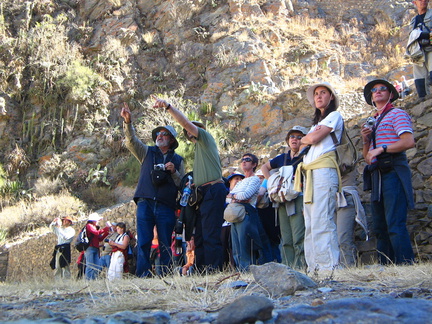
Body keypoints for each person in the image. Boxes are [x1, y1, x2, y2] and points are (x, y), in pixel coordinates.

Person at [152, 98, 227, 273]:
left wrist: (168, 107)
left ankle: (214, 270)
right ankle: (201, 270)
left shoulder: (206, 139)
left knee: (210, 233)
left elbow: (184, 122)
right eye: (187, 131)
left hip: (213, 189)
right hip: (203, 193)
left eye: (192, 129)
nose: (189, 132)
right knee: (200, 234)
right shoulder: (200, 152)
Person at [121, 102, 185, 277]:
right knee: (143, 241)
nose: (160, 136)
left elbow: (182, 184)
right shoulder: (147, 152)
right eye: (158, 133)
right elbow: (131, 142)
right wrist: (128, 123)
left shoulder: (178, 160)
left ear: (172, 139)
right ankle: (143, 275)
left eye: (164, 134)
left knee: (165, 242)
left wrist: (174, 172)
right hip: (145, 202)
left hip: (166, 205)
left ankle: (164, 275)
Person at [361, 79, 415, 265]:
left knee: (395, 222)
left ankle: (405, 265)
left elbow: (408, 142)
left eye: (383, 89)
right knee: (380, 226)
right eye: (374, 90)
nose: (378, 91)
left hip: (392, 169)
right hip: (377, 174)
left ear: (391, 94)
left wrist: (381, 148)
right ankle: (385, 266)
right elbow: (367, 156)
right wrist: (367, 141)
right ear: (371, 97)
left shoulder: (397, 114)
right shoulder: (373, 121)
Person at [294, 82, 343, 272]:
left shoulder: (334, 116)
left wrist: (306, 138)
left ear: (331, 97)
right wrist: (307, 137)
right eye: (316, 94)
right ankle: (313, 267)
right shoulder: (316, 124)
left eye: (323, 93)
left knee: (322, 219)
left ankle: (329, 267)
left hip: (323, 171)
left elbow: (311, 140)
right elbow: (305, 142)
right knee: (310, 223)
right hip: (311, 173)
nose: (319, 96)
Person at [261, 125, 308, 269]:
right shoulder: (282, 158)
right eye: (292, 137)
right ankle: (288, 267)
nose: (295, 140)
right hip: (281, 200)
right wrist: (271, 181)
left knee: (299, 235)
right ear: (288, 140)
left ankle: (300, 267)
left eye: (300, 137)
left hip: (298, 198)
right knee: (286, 236)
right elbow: (264, 167)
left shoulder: (307, 157)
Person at [228, 153, 263, 271]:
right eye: (242, 160)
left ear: (254, 164)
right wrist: (237, 197)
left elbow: (246, 195)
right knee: (236, 245)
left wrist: (234, 196)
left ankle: (248, 270)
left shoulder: (255, 179)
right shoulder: (241, 182)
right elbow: (228, 197)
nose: (244, 162)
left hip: (246, 214)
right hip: (234, 214)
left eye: (248, 160)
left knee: (245, 244)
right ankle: (240, 271)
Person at [336, 172, 368, 267]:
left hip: (345, 194)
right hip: (327, 197)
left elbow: (344, 166)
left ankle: (348, 268)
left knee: (343, 238)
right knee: (330, 239)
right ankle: (334, 270)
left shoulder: (346, 156)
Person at [221, 172, 245, 269]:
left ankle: (236, 267)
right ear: (230, 181)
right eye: (236, 179)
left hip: (237, 223)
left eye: (240, 179)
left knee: (235, 247)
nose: (238, 181)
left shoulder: (243, 194)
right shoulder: (223, 192)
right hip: (224, 224)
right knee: (223, 247)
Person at [410, 0, 432, 99]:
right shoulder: (413, 21)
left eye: (425, 0)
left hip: (431, 49)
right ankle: (423, 105)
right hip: (418, 52)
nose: (423, 1)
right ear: (414, 2)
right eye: (420, 0)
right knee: (420, 81)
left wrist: (424, 35)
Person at [85, 213, 111, 280]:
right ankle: (88, 280)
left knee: (96, 265)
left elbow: (100, 239)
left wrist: (107, 232)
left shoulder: (94, 227)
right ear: (93, 220)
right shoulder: (89, 226)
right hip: (90, 248)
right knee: (90, 265)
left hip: (96, 248)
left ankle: (93, 279)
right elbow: (97, 233)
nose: (98, 221)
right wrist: (106, 228)